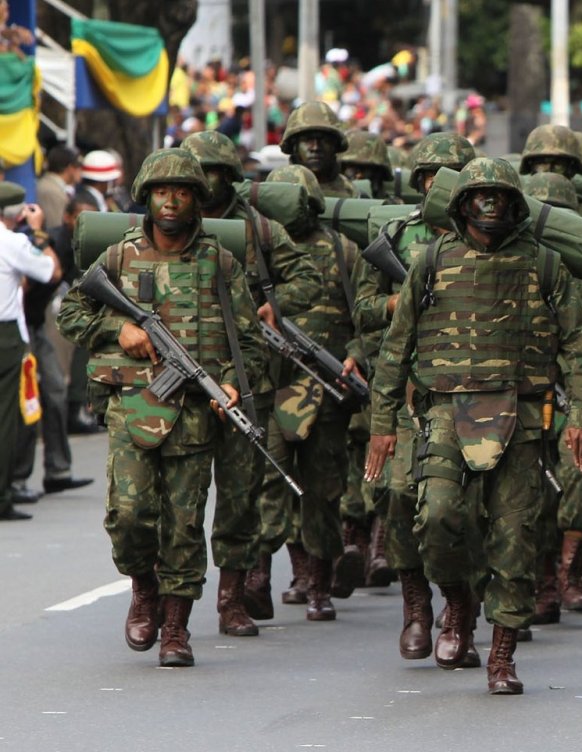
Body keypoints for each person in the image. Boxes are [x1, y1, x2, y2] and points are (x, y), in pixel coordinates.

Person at [364, 157, 582, 694]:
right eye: (479, 196)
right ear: (462, 204)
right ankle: (457, 600)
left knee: (516, 536)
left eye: (499, 196)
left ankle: (502, 655)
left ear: (515, 204)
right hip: (444, 411)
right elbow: (395, 349)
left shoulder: (544, 265)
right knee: (438, 516)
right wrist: (383, 425)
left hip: (520, 414)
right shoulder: (429, 260)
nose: (489, 205)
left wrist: (581, 415)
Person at [57, 149, 264, 666]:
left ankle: (175, 626)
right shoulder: (120, 259)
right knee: (129, 517)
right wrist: (116, 328)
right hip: (132, 406)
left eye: (183, 192)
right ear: (146, 197)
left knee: (184, 524)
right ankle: (143, 586)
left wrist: (238, 386)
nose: (171, 202)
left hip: (195, 412)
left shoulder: (220, 261)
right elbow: (71, 310)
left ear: (197, 200)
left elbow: (251, 342)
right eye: (162, 192)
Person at [181, 129, 318, 633]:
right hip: (180, 381)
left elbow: (306, 277)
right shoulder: (164, 228)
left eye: (218, 172)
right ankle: (163, 599)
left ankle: (233, 597)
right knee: (178, 499)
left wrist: (273, 306)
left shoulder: (259, 230)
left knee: (242, 495)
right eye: (201, 173)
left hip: (246, 377)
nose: (209, 182)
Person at [352, 131, 476, 659]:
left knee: (462, 509)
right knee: (401, 496)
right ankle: (416, 606)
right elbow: (361, 308)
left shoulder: (486, 239)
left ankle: (459, 606)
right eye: (429, 178)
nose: (436, 187)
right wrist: (399, 302)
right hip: (406, 389)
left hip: (472, 392)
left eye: (447, 178)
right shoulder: (394, 237)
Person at [254, 164, 363, 623]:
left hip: (328, 387)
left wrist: (357, 355)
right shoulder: (256, 249)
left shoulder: (344, 250)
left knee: (322, 489)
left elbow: (367, 316)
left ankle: (318, 582)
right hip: (272, 384)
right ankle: (257, 578)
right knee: (267, 485)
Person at [12, 194, 92, 501]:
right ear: (68, 218)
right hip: (18, 327)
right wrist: (40, 236)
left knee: (56, 390)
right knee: (25, 402)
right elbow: (41, 276)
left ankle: (58, 471)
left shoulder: (78, 246)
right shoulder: (50, 241)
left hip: (34, 325)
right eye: (81, 217)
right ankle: (17, 479)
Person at [1, 191, 62, 521]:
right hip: (5, 336)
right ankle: (3, 493)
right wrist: (38, 231)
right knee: (7, 417)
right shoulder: (11, 242)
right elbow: (51, 272)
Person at [282, 101, 358, 199]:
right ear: (294, 146)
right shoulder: (279, 191)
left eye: (325, 140)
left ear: (334, 145)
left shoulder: (351, 193)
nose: (315, 147)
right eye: (307, 140)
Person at [38, 146, 80, 230]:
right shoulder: (52, 191)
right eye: (78, 166)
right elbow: (55, 227)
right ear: (70, 168)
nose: (80, 170)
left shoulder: (50, 185)